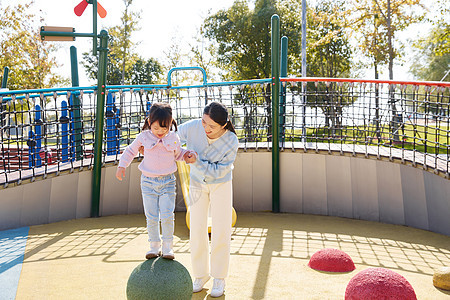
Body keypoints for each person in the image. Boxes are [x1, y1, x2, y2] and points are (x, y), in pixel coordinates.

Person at [116, 102, 196, 260]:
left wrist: (188, 155)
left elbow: (178, 154)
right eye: (156, 128)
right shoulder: (144, 137)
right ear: (149, 122)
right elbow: (130, 150)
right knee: (151, 216)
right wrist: (122, 166)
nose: (160, 132)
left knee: (167, 215)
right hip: (148, 183)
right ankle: (154, 246)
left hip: (167, 182)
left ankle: (168, 247)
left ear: (170, 123)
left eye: (164, 128)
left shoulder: (173, 138)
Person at [177, 101, 239, 298]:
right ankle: (200, 275)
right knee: (196, 228)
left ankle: (219, 278)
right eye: (204, 122)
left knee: (222, 230)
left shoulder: (231, 141)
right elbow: (174, 137)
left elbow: (218, 171)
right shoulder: (194, 126)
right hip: (197, 183)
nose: (206, 128)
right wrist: (180, 152)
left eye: (211, 126)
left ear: (223, 125)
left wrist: (197, 162)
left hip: (221, 183)